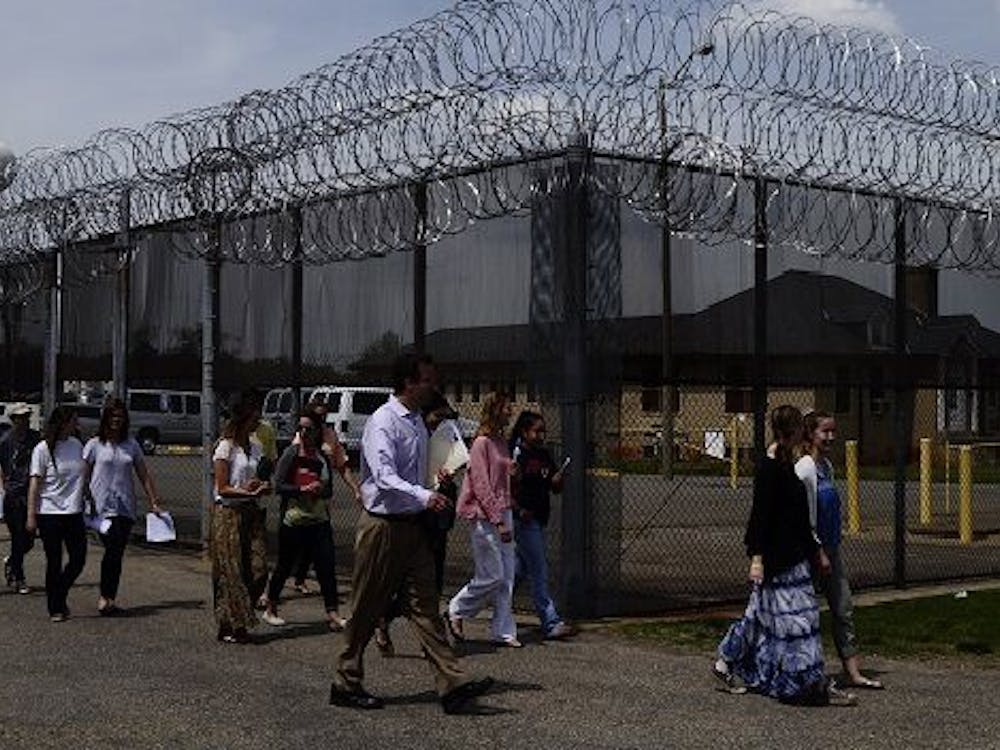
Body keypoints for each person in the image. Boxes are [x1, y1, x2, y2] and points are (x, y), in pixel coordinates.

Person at [329, 352, 493, 714]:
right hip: (383, 528)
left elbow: (413, 474)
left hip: (412, 527)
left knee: (425, 608)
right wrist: (424, 494)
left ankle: (452, 684)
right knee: (366, 607)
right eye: (427, 380)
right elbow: (384, 476)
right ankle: (345, 681)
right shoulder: (383, 421)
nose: (432, 386)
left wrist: (436, 479)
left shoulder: (418, 422)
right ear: (408, 382)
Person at [713, 404, 855, 706]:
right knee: (794, 621)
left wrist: (816, 550)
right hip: (777, 560)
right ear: (793, 432)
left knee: (768, 617)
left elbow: (800, 516)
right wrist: (757, 557)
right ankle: (799, 679)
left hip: (796, 555)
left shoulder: (790, 464)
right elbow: (761, 516)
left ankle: (799, 677)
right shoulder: (769, 468)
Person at [373, 390, 468, 657]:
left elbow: (451, 464)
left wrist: (447, 477)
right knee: (411, 582)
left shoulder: (442, 436)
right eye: (436, 418)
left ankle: (424, 638)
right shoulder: (409, 435)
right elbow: (392, 477)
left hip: (437, 514)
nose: (439, 424)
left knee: (432, 580)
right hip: (415, 516)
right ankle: (388, 620)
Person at [796, 410, 884, 691]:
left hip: (832, 549)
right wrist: (817, 550)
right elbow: (804, 516)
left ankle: (853, 671)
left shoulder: (827, 468)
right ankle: (806, 671)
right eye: (825, 432)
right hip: (811, 553)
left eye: (833, 431)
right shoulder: (806, 468)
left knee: (843, 609)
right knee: (806, 614)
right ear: (811, 434)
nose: (831, 437)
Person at [260, 408, 347, 630]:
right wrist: (302, 489)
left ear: (318, 432)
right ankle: (271, 607)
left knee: (326, 566)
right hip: (293, 520)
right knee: (285, 565)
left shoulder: (322, 457)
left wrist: (319, 490)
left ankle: (333, 613)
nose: (304, 433)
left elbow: (329, 491)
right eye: (300, 428)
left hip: (319, 520)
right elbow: (279, 485)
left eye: (309, 429)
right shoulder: (291, 453)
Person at [447, 391, 521, 648]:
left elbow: (501, 480)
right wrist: (497, 519)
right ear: (495, 410)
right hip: (484, 515)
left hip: (505, 509)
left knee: (507, 575)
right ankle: (457, 608)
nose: (510, 411)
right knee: (493, 574)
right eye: (506, 406)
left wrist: (511, 471)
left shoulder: (501, 441)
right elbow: (480, 484)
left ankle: (504, 630)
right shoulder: (481, 443)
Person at [81, 398, 164, 615]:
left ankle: (110, 598)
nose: (116, 420)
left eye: (120, 416)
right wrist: (82, 498)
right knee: (112, 547)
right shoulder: (94, 445)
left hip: (125, 507)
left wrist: (154, 499)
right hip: (100, 509)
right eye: (112, 416)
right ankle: (104, 597)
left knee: (116, 552)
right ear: (105, 419)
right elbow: (83, 475)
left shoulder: (131, 445)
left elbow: (143, 474)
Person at [210, 390, 270, 644]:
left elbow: (256, 478)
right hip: (229, 512)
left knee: (258, 569)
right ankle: (234, 624)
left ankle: (235, 616)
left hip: (251, 511)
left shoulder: (256, 447)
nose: (257, 423)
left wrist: (261, 485)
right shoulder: (226, 447)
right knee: (231, 571)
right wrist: (244, 490)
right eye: (254, 418)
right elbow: (222, 486)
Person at [287, 396, 361, 596]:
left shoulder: (330, 435)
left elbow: (342, 465)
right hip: (299, 497)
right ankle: (273, 592)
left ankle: (320, 589)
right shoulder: (302, 436)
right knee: (295, 543)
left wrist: (355, 488)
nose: (321, 420)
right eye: (317, 416)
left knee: (320, 543)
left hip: (320, 498)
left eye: (324, 416)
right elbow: (292, 466)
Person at [509, 410, 573, 640]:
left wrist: (557, 481)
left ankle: (498, 607)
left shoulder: (544, 455)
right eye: (536, 431)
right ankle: (550, 620)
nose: (540, 435)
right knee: (539, 569)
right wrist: (517, 509)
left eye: (542, 431)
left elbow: (554, 485)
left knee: (519, 570)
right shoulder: (518, 453)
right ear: (525, 432)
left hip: (538, 516)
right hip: (523, 518)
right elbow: (508, 487)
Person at [25, 406, 87, 622]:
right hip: (49, 513)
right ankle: (56, 608)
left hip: (74, 512)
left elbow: (84, 476)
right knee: (54, 560)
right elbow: (35, 483)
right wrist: (31, 516)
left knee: (78, 559)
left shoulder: (77, 445)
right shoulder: (42, 449)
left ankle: (59, 592)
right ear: (62, 423)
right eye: (73, 421)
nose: (76, 425)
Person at [0, 402, 40, 594]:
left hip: (32, 492)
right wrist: (5, 484)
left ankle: (12, 561)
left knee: (29, 538)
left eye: (26, 417)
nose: (24, 420)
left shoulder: (35, 438)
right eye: (20, 417)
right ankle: (18, 577)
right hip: (14, 495)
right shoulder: (5, 440)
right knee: (17, 536)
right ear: (13, 419)